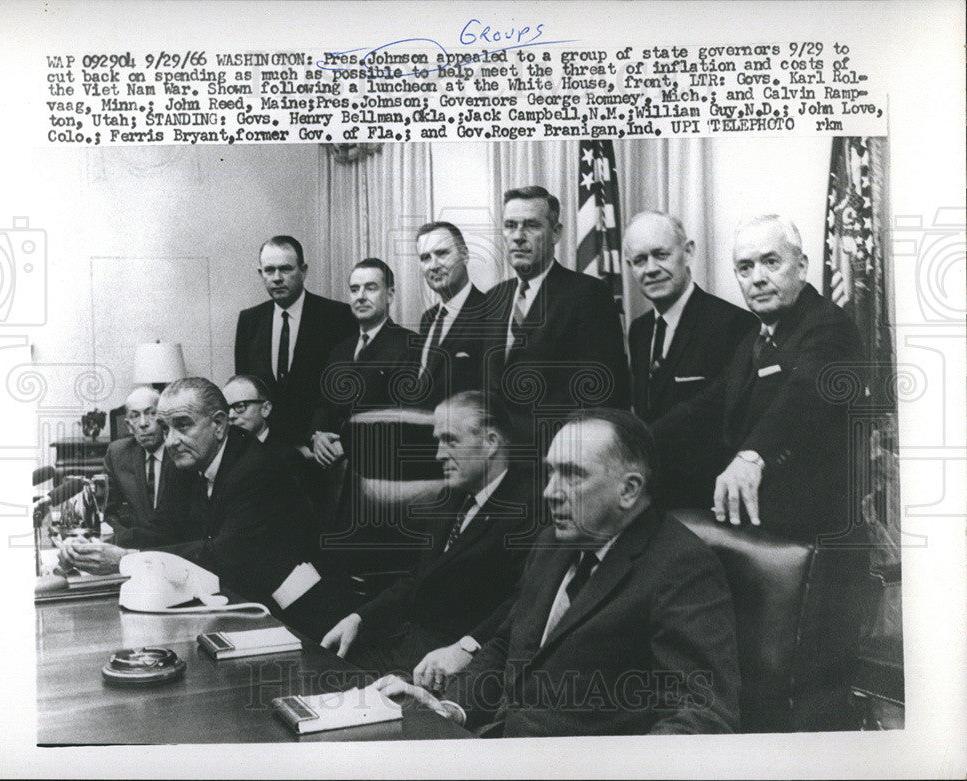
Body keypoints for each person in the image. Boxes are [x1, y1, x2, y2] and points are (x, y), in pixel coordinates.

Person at [373, 408, 741, 737]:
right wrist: (450, 709)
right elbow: (506, 645)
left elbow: (702, 713)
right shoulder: (553, 542)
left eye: (572, 475)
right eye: (550, 472)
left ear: (628, 490)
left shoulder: (682, 566)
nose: (550, 492)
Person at [59, 377, 347, 637]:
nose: (171, 441)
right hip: (238, 602)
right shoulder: (188, 462)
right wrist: (96, 544)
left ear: (219, 425)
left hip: (304, 619)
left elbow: (225, 554)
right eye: (165, 428)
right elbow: (164, 528)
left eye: (182, 425)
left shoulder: (258, 468)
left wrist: (124, 559)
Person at [651, 215, 863, 540]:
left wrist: (752, 456)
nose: (758, 279)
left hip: (817, 540)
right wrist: (634, 440)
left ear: (802, 266)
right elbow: (707, 404)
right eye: (745, 268)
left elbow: (803, 395)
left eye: (771, 262)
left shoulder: (830, 327)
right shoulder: (754, 338)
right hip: (758, 525)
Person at [320, 391, 536, 679]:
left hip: (455, 667)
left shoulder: (529, 508)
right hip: (406, 646)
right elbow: (417, 578)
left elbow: (524, 602)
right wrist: (360, 617)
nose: (439, 454)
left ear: (490, 443)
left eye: (450, 440)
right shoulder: (453, 495)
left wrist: (467, 647)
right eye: (438, 441)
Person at [623, 211, 755, 508]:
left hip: (707, 505)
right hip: (650, 501)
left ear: (688, 253)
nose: (651, 269)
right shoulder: (639, 330)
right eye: (640, 261)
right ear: (630, 267)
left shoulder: (734, 325)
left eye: (661, 255)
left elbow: (726, 418)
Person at [484, 186, 629, 442]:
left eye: (531, 225)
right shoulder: (494, 298)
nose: (518, 236)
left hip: (555, 456)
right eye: (510, 225)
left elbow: (601, 394)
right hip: (496, 459)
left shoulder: (588, 295)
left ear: (555, 233)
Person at [234, 235, 357, 448]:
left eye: (286, 269)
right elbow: (244, 388)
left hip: (317, 449)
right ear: (260, 273)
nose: (277, 278)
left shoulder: (337, 316)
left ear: (303, 271)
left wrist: (317, 434)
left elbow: (341, 390)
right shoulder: (249, 321)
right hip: (263, 452)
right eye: (269, 270)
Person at [307, 258, 417, 471]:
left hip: (383, 470)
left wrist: (347, 445)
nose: (361, 297)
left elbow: (405, 418)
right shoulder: (340, 350)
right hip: (335, 475)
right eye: (354, 289)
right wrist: (317, 436)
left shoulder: (409, 346)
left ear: (390, 294)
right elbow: (323, 404)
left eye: (371, 288)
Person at [411, 221, 492, 409]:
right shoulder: (428, 318)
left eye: (441, 253)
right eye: (425, 258)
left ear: (464, 254)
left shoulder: (491, 313)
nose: (433, 265)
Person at [101, 386, 195, 535]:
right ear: (128, 426)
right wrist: (125, 537)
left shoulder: (181, 451)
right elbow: (106, 510)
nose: (143, 423)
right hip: (134, 544)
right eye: (135, 416)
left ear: (164, 418)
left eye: (151, 413)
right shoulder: (117, 453)